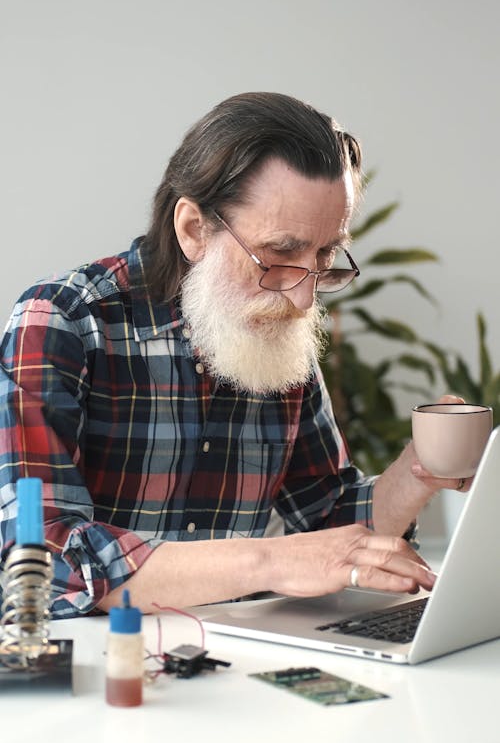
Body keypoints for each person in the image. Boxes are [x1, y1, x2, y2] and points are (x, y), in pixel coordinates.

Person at [0, 92, 465, 619]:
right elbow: (45, 560)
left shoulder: (276, 329)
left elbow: (329, 525)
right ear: (194, 230)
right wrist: (268, 561)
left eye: (325, 254)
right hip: (94, 670)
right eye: (280, 254)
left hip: (232, 662)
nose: (303, 298)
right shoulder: (63, 320)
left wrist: (418, 472)